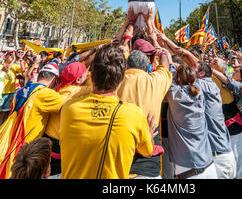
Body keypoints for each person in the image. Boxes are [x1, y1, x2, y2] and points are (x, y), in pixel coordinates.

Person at [60, 44, 156, 179]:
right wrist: (150, 135)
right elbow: (148, 152)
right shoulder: (134, 115)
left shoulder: (69, 109)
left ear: (91, 76)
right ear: (122, 78)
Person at [0, 62, 67, 178]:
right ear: (55, 79)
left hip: (12, 141)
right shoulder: (44, 93)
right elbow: (71, 104)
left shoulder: (23, 89)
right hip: (26, 146)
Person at [116, 42, 172, 179]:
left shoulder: (113, 81)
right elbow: (165, 67)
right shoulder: (156, 81)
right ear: (148, 67)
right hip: (147, 168)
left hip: (116, 165)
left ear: (127, 65)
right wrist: (162, 53)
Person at [166, 62, 217, 179]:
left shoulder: (175, 95)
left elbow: (169, 76)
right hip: (210, 167)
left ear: (177, 78)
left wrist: (171, 63)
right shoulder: (199, 92)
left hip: (190, 173)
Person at [44, 61, 90, 176]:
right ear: (78, 80)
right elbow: (96, 86)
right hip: (58, 142)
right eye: (85, 74)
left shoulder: (59, 89)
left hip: (47, 137)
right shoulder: (77, 91)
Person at [210, 57, 242, 179]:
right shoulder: (211, 78)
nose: (210, 63)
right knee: (229, 162)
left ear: (219, 68)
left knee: (241, 162)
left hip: (234, 126)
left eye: (213, 62)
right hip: (223, 127)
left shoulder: (223, 79)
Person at [196, 61, 236, 179]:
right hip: (225, 156)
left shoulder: (203, 85)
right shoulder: (211, 84)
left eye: (194, 70)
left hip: (218, 160)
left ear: (202, 73)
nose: (191, 72)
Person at [0, 51, 23, 124]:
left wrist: (20, 59)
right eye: (9, 54)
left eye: (12, 55)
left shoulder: (15, 66)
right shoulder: (1, 65)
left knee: (5, 111)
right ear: (5, 56)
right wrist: (13, 60)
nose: (11, 56)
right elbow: (6, 69)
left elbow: (23, 72)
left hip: (10, 92)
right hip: (2, 92)